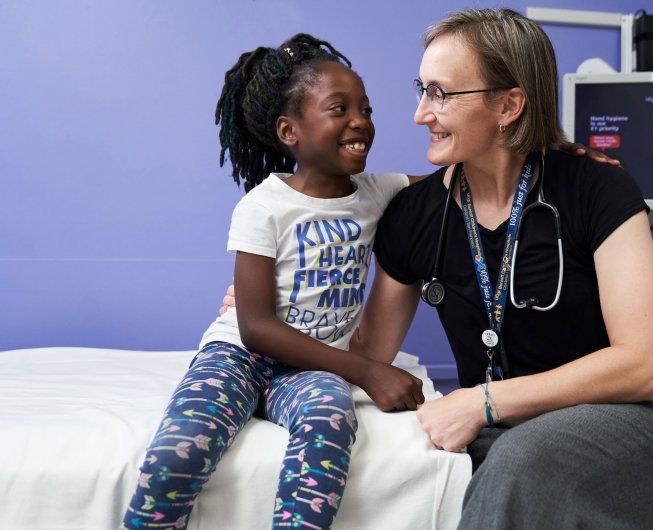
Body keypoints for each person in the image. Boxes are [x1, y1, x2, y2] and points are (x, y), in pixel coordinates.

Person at [226, 9, 653, 529]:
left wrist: (484, 401)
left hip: (639, 420)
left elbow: (643, 366)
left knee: (522, 466)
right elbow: (367, 353)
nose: (418, 114)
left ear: (509, 105)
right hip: (508, 428)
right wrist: (281, 317)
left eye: (439, 94)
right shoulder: (416, 215)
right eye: (422, 89)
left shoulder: (596, 189)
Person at [123, 34, 428, 530]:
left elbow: (458, 176)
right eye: (339, 108)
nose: (361, 122)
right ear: (290, 130)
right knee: (179, 452)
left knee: (331, 421)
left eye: (366, 109)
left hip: (308, 371)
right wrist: (366, 371)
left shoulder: (379, 191)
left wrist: (553, 151)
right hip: (241, 355)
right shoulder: (264, 207)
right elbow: (256, 327)